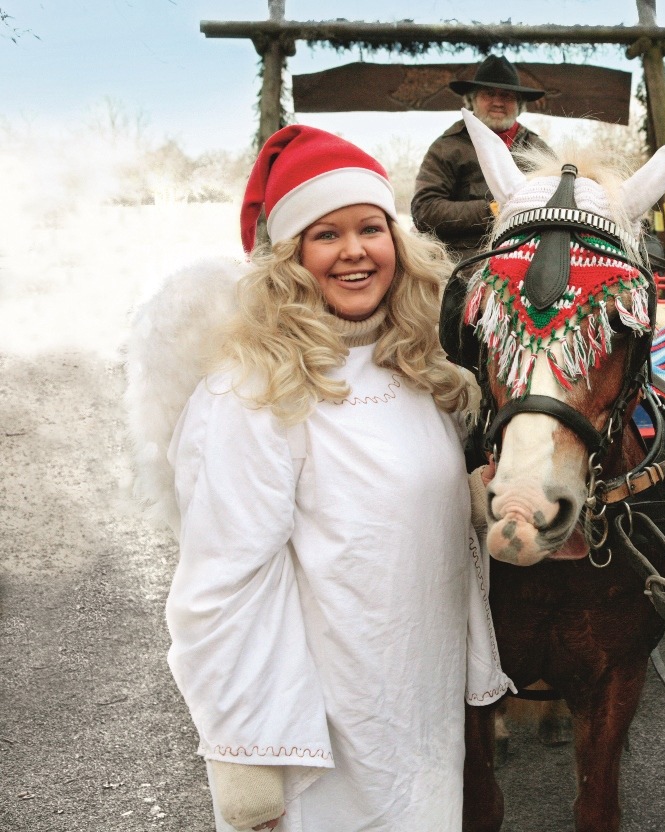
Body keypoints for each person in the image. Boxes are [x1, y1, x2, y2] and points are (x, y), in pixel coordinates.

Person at [163, 125, 510, 832]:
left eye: (370, 228)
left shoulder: (417, 367)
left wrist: (471, 501)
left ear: (397, 242)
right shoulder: (253, 392)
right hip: (315, 731)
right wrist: (245, 754)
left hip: (417, 710)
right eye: (326, 235)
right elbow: (219, 590)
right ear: (290, 259)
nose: (354, 251)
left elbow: (396, 509)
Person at [412, 54, 551, 260]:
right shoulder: (447, 147)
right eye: (488, 94)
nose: (497, 102)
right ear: (471, 100)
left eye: (507, 95)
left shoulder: (538, 149)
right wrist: (493, 209)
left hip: (530, 255)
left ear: (520, 104)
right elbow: (424, 210)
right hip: (464, 261)